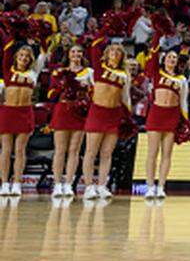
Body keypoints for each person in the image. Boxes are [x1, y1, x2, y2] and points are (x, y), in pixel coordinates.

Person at [82, 36, 131, 200]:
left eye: (118, 51)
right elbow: (94, 45)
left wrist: (128, 117)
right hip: (97, 112)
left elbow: (126, 98)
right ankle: (89, 187)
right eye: (112, 50)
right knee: (91, 152)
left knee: (107, 153)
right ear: (107, 53)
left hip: (114, 114)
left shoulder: (124, 75)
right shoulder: (99, 67)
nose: (115, 53)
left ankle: (102, 185)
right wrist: (106, 30)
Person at [0, 34, 47, 197]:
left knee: (20, 150)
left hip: (25, 113)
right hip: (8, 112)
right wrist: (13, 34)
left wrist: (39, 38)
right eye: (21, 55)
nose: (24, 58)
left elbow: (44, 55)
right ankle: (5, 183)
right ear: (16, 57)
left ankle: (17, 183)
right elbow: (6, 50)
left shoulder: (33, 73)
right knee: (6, 149)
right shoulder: (7, 70)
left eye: (27, 56)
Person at [142, 43, 189, 199]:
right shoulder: (157, 73)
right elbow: (153, 55)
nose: (172, 59)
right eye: (169, 57)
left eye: (174, 58)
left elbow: (184, 101)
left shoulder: (182, 79)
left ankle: (161, 186)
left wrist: (186, 122)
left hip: (172, 114)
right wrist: (158, 36)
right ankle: (149, 186)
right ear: (164, 59)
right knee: (152, 152)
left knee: (167, 153)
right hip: (156, 113)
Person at [47, 44, 92, 197]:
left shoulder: (89, 72)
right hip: (63, 109)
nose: (76, 54)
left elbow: (94, 93)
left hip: (80, 112)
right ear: (68, 54)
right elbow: (50, 94)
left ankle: (69, 184)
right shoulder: (59, 71)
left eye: (79, 51)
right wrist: (62, 85)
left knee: (74, 150)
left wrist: (86, 89)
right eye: (73, 51)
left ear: (83, 54)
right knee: (60, 150)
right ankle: (57, 183)